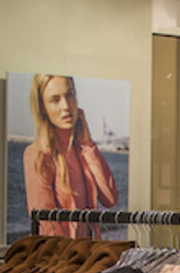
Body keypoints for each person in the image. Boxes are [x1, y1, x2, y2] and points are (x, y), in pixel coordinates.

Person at [22, 74, 119, 239]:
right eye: (55, 100)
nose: (66, 106)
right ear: (42, 107)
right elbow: (47, 227)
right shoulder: (38, 155)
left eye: (69, 95)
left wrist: (88, 144)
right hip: (64, 253)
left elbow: (110, 199)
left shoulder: (83, 151)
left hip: (90, 251)